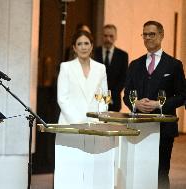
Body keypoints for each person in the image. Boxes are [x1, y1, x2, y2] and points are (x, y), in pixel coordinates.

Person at [123, 20, 186, 189]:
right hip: (139, 128)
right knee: (139, 170)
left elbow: (182, 96)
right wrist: (135, 103)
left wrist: (159, 104)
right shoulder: (135, 65)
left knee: (160, 173)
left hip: (164, 129)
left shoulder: (174, 65)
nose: (148, 38)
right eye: (145, 34)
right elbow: (127, 95)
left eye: (152, 34)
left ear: (161, 35)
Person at [55, 30, 111, 188]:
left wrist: (97, 117)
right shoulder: (66, 67)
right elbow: (62, 98)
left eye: (86, 43)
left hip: (94, 125)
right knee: (69, 169)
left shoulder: (101, 68)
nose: (83, 47)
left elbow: (104, 96)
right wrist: (79, 122)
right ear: (74, 47)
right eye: (79, 44)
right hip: (70, 124)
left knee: (91, 170)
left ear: (92, 46)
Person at [94, 24, 129, 112]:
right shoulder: (94, 53)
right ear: (102, 36)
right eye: (105, 36)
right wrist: (101, 96)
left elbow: (123, 78)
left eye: (111, 36)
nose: (108, 39)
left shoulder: (123, 55)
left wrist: (109, 96)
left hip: (114, 102)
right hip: (96, 100)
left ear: (116, 37)